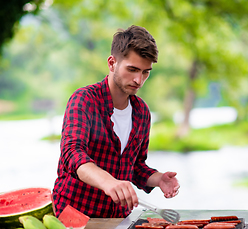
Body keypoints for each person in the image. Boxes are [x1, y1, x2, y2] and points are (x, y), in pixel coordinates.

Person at [52, 25, 180, 218]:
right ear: (112, 63)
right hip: (74, 216)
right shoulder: (84, 100)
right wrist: (108, 181)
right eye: (132, 69)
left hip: (118, 219)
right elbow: (72, 153)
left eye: (146, 72)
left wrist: (158, 179)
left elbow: (135, 166)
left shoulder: (142, 112)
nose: (139, 79)